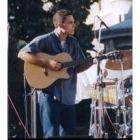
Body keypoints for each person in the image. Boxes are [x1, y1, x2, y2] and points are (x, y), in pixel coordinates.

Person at [18, 9, 97, 138]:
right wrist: (48, 63)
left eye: (74, 22)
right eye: (70, 23)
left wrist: (92, 62)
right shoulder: (45, 40)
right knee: (51, 135)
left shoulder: (74, 43)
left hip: (68, 96)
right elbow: (22, 54)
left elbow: (77, 68)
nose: (74, 25)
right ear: (60, 25)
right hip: (49, 95)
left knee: (69, 135)